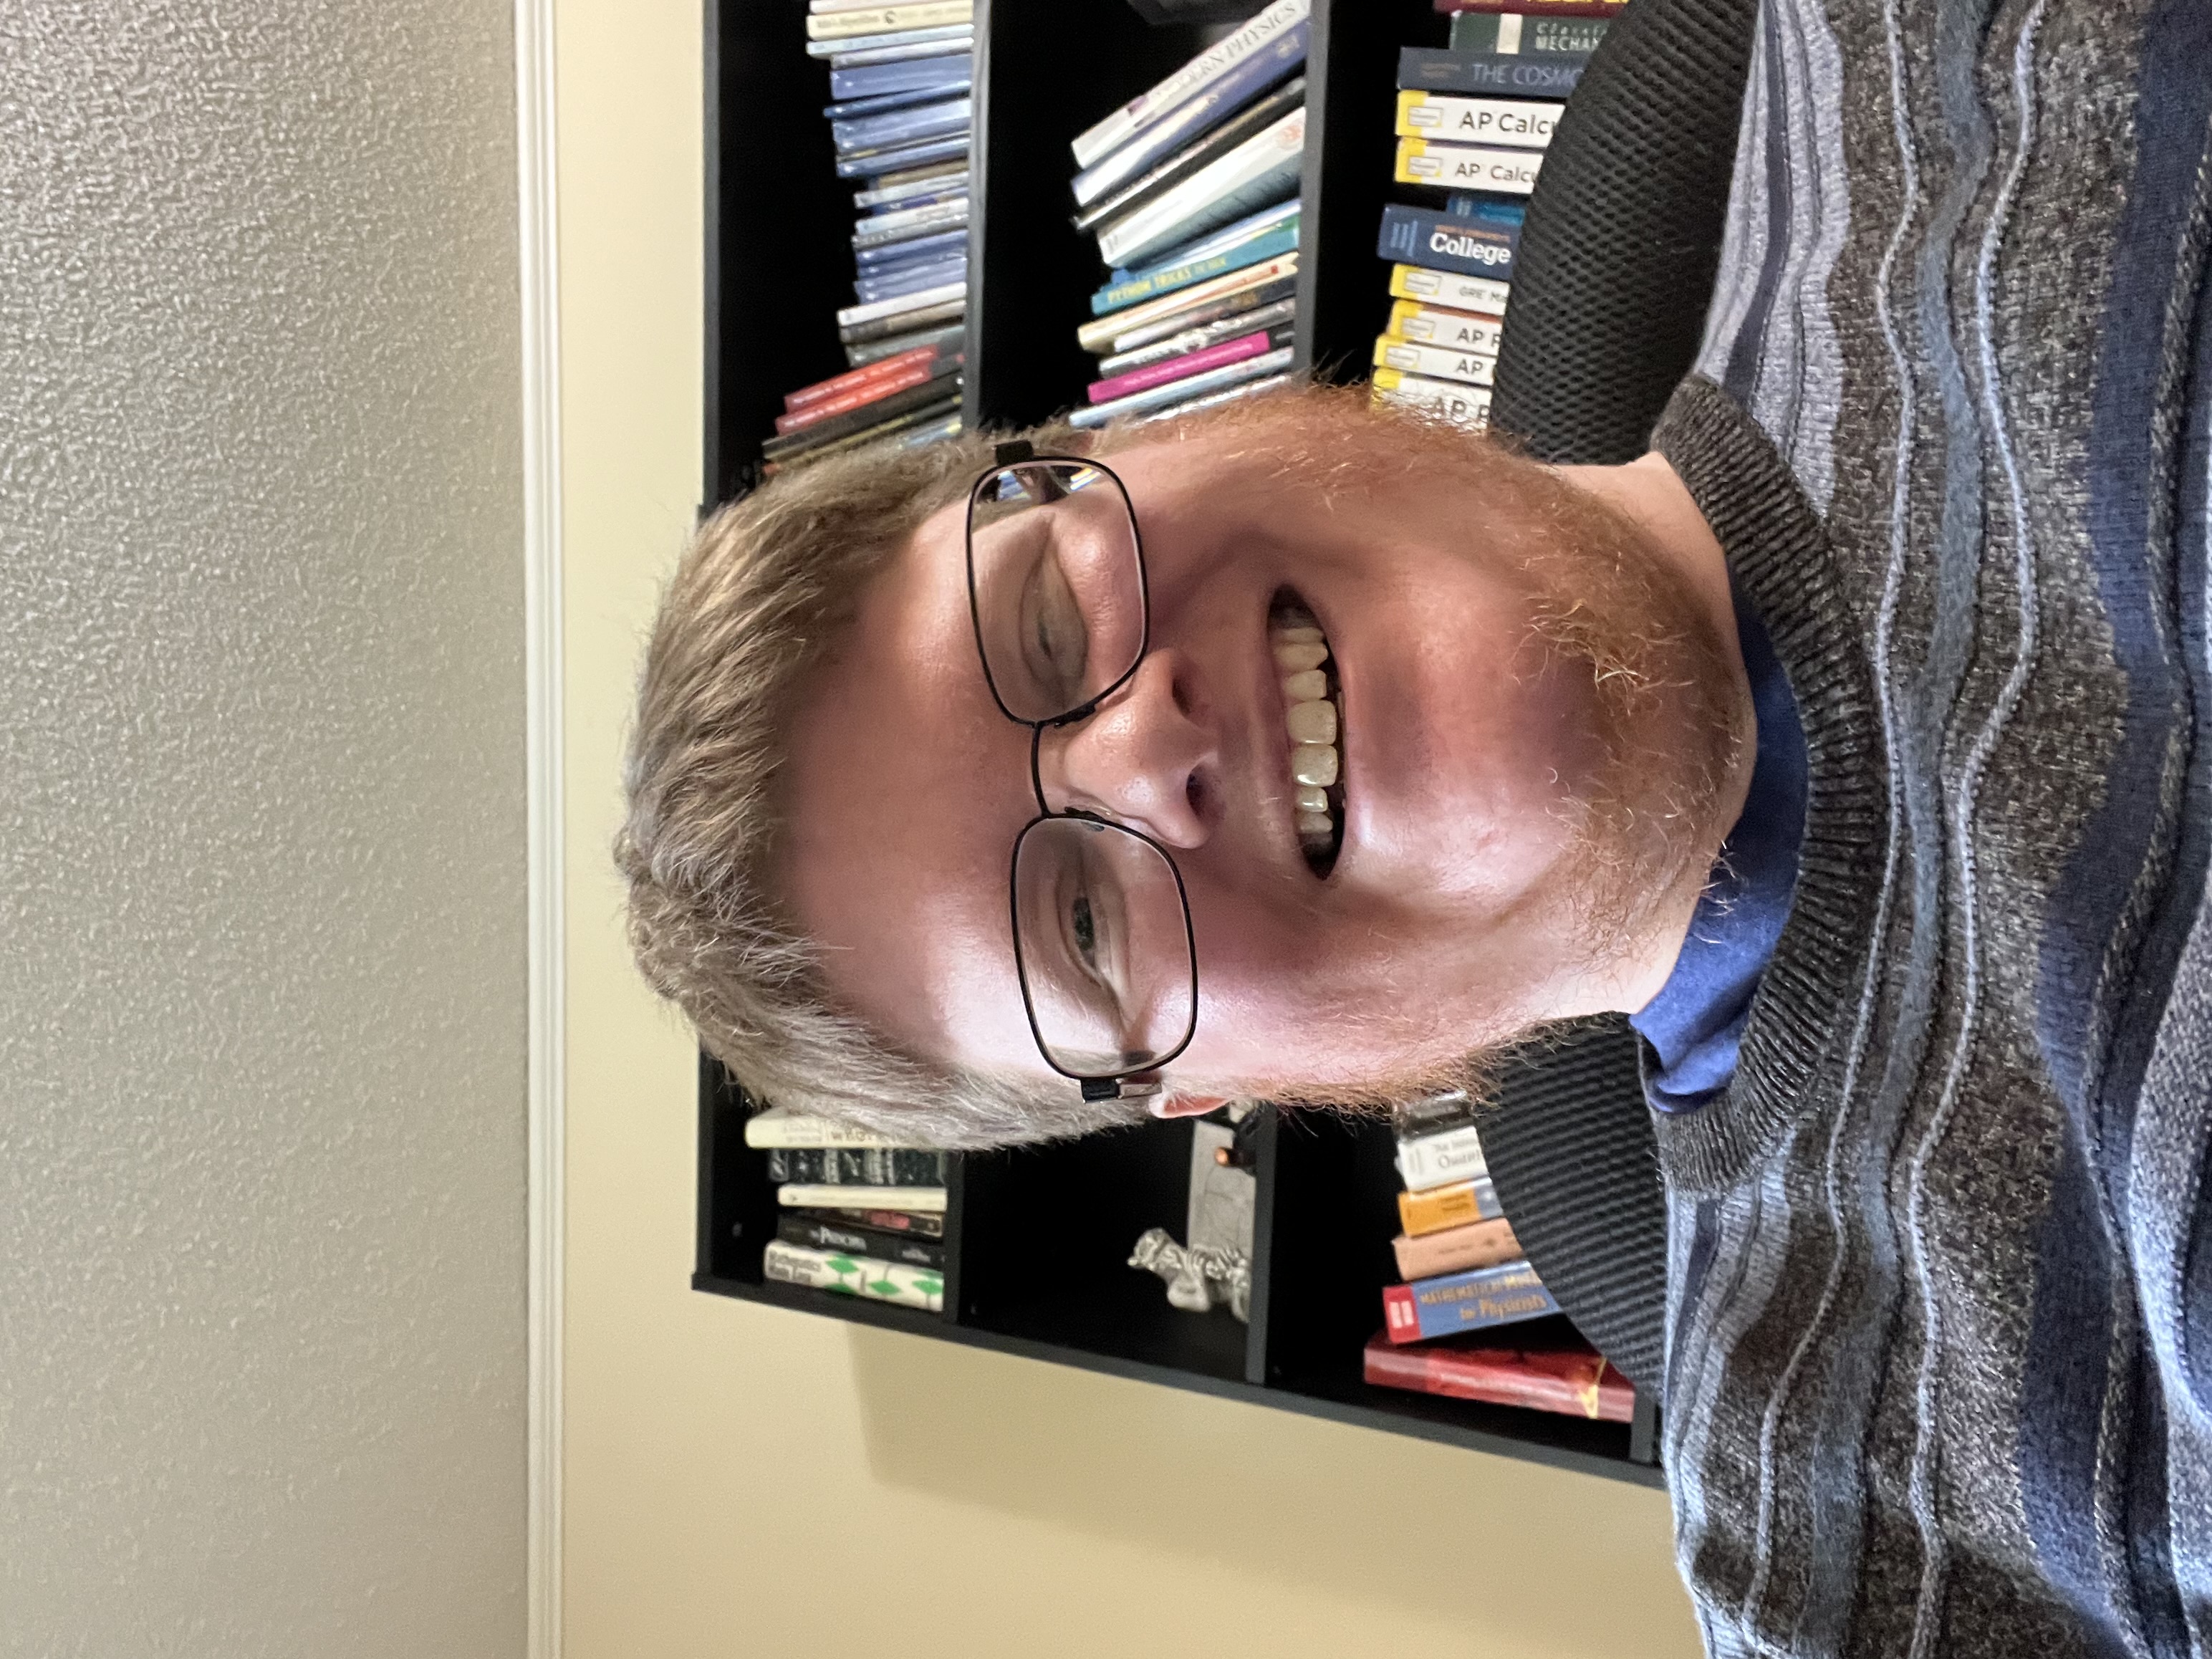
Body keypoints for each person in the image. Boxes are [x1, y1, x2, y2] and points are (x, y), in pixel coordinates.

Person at [619, 0, 2212, 1648]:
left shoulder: (1931, 47)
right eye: (1077, 929)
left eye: (1040, 631)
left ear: (1136, 438)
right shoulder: (1858, 1565)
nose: (1141, 757)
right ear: (1215, 1089)